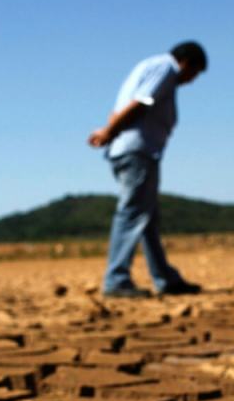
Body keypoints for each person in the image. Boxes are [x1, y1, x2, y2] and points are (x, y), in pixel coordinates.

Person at [88, 41, 207, 298]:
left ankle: (166, 279)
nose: (192, 80)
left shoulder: (146, 66)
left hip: (131, 150)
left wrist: (110, 131)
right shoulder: (165, 68)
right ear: (186, 63)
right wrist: (110, 131)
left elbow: (119, 108)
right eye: (195, 73)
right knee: (132, 214)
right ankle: (116, 280)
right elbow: (141, 102)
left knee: (147, 218)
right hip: (138, 152)